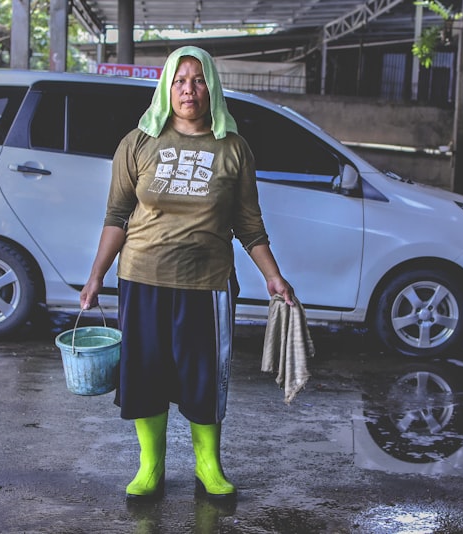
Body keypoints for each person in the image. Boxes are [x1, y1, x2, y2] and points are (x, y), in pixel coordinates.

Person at [80, 45, 294, 502]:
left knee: (203, 376)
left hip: (208, 285)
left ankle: (208, 465)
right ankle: (150, 466)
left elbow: (248, 223)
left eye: (197, 80)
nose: (188, 90)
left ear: (211, 86)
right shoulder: (137, 143)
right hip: (141, 278)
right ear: (166, 87)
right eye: (179, 80)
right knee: (145, 374)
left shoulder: (233, 149)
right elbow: (116, 216)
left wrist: (273, 278)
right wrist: (97, 275)